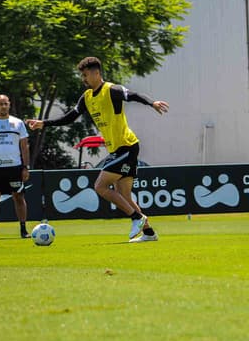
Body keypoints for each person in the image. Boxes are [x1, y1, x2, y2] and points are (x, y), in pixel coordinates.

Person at [26, 56, 168, 242]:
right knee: (125, 195)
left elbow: (133, 95)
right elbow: (69, 118)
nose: (83, 79)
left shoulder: (112, 90)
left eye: (85, 75)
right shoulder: (86, 98)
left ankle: (137, 218)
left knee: (100, 186)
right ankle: (149, 233)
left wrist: (152, 103)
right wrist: (44, 123)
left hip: (127, 146)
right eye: (82, 75)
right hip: (118, 150)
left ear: (96, 73)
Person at [0, 94, 31, 240]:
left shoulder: (18, 123)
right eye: (0, 104)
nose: (3, 106)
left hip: (14, 167)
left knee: (19, 197)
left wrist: (25, 167)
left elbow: (24, 146)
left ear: (9, 105)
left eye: (5, 104)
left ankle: (23, 229)